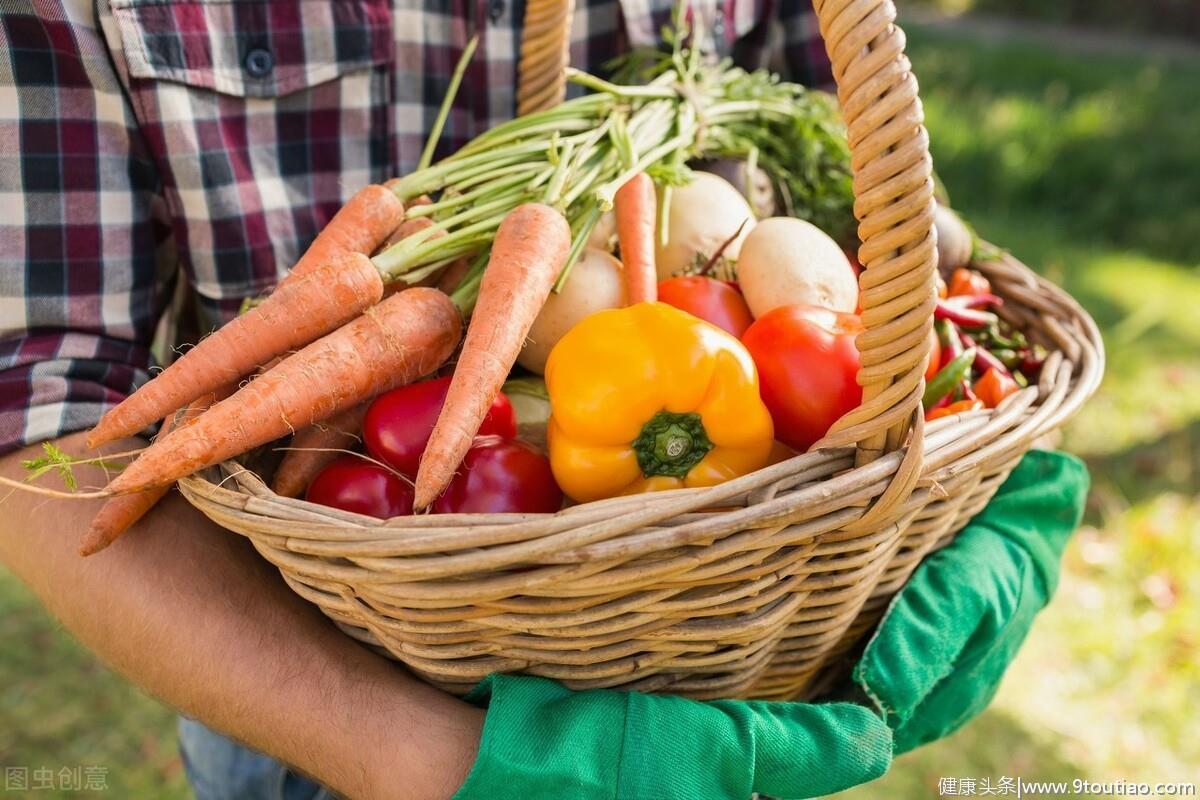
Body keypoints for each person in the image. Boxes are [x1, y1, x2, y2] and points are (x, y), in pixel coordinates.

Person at [0, 1, 1089, 798]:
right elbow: (30, 406)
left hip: (711, 666)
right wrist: (433, 763)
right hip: (304, 709)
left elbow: (881, 204)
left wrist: (979, 500)